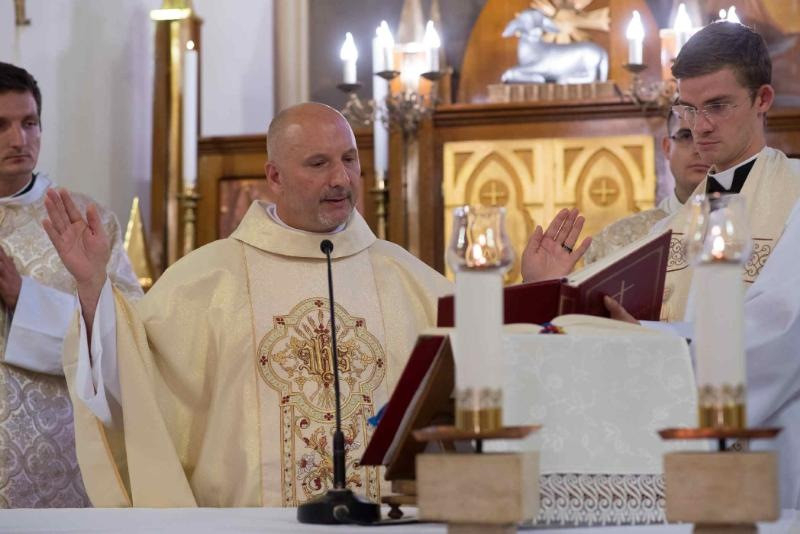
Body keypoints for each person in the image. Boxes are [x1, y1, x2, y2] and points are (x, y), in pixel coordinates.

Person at [604, 22, 800, 508]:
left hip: (772, 446)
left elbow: (782, 329)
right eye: (687, 108)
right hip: (672, 460)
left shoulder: (795, 194)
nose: (699, 126)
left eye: (717, 106)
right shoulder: (672, 225)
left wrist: (650, 343)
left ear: (762, 99)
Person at [0, 62, 142, 507]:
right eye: (1, 125)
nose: (19, 139)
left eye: (29, 123)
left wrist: (25, 301)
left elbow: (133, 335)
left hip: (57, 462)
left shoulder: (86, 221)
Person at [583, 110, 711, 265]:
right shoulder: (615, 242)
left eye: (708, 136)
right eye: (686, 136)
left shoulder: (738, 226)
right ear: (667, 148)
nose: (699, 149)